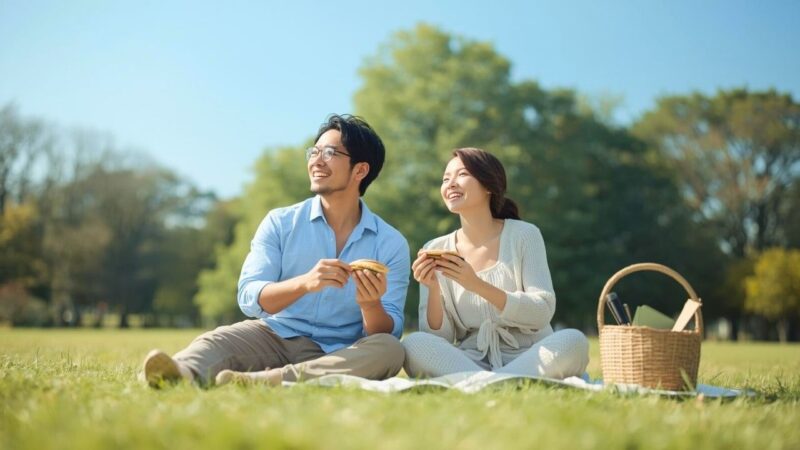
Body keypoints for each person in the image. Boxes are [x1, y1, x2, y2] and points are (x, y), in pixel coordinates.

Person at [142, 114, 410, 388]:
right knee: (218, 339)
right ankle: (180, 374)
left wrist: (370, 304)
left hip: (341, 352)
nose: (316, 161)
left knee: (390, 350)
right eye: (314, 151)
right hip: (275, 336)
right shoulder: (280, 223)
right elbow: (249, 296)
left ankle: (266, 380)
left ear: (360, 171)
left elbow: (389, 331)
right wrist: (305, 283)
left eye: (330, 153)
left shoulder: (390, 243)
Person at [402, 148, 589, 379]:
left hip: (531, 356)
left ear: (489, 184)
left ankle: (486, 382)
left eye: (462, 174)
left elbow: (542, 311)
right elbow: (439, 339)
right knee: (413, 344)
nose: (450, 184)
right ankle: (504, 382)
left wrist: (476, 285)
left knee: (574, 341)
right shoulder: (435, 248)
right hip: (471, 360)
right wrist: (433, 288)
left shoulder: (524, 235)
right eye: (445, 178)